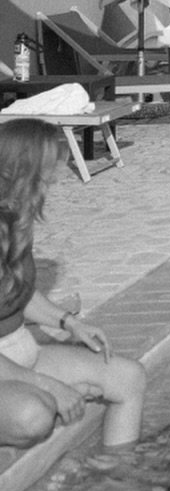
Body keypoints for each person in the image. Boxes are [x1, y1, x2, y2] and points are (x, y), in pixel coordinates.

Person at [0, 119, 146, 450]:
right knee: (33, 417)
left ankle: (118, 480)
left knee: (128, 377)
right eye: (53, 164)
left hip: (18, 354)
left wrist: (69, 323)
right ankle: (37, 399)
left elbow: (15, 293)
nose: (60, 173)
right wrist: (46, 386)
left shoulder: (15, 218)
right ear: (23, 168)